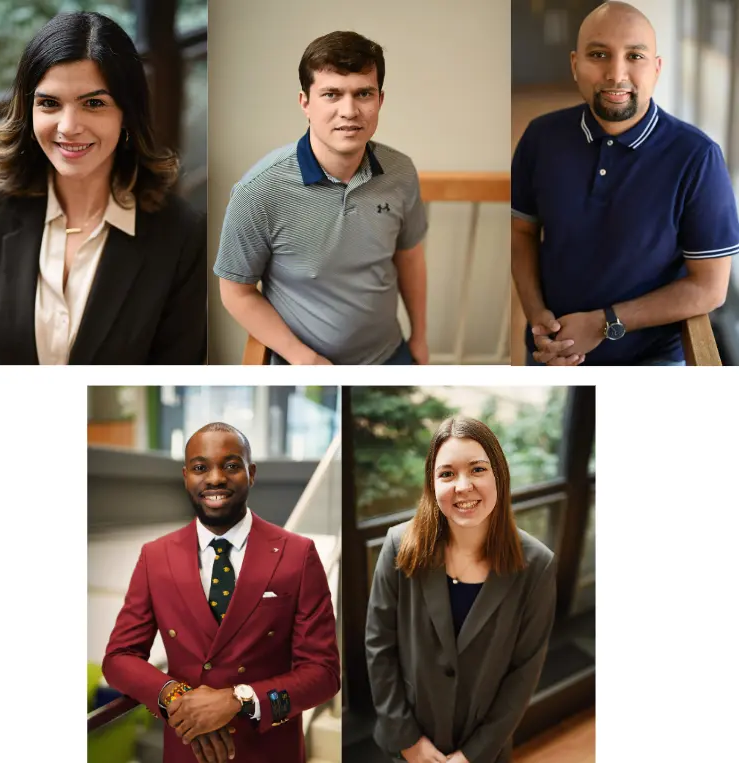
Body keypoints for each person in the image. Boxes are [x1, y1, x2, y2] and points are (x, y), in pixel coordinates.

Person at [0, 11, 206, 364]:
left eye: (94, 104)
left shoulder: (183, 235)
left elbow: (176, 367)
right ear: (29, 113)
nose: (68, 126)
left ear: (127, 114)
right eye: (49, 103)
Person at [511, 1, 739, 366]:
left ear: (657, 68)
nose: (616, 74)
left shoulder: (697, 157)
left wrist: (605, 323)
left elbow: (710, 289)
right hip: (550, 350)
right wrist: (537, 315)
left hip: (650, 360)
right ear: (574, 64)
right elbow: (522, 233)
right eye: (598, 54)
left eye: (635, 56)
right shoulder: (541, 137)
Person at [103, 422, 340, 763]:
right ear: (186, 476)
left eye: (230, 466)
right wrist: (175, 697)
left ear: (251, 473)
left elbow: (324, 674)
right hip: (188, 749)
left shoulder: (298, 553)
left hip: (269, 752)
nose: (215, 478)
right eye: (201, 467)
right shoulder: (154, 556)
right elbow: (119, 657)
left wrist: (238, 700)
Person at [214, 31, 429, 365]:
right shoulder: (258, 191)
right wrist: (303, 359)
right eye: (331, 94)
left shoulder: (401, 171)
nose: (349, 110)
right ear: (305, 103)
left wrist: (419, 337)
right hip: (302, 364)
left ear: (380, 100)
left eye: (363, 93)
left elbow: (410, 256)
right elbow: (235, 291)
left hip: (390, 355)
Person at [366, 417, 555, 763]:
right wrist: (408, 741)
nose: (463, 486)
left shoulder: (537, 565)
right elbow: (379, 647)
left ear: (499, 473)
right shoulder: (397, 545)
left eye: (478, 469)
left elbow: (523, 673)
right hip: (405, 746)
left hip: (483, 751)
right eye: (447, 474)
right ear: (432, 483)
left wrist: (472, 754)